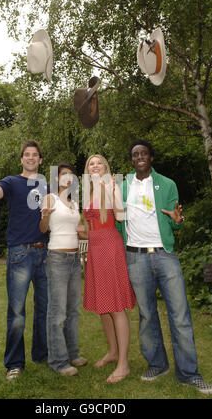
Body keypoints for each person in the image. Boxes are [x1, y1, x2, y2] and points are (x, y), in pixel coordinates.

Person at [117, 139, 212, 394]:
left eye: (144, 153)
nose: (139, 156)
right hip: (136, 257)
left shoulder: (168, 184)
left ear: (151, 158)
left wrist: (178, 220)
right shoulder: (121, 185)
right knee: (147, 315)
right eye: (135, 153)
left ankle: (189, 373)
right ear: (131, 160)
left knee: (180, 315)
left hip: (165, 256)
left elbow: (175, 222)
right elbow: (119, 223)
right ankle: (157, 364)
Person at [0, 139, 48, 381]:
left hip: (45, 253)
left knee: (44, 309)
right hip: (20, 254)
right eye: (26, 154)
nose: (30, 158)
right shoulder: (12, 182)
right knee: (17, 312)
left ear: (40, 160)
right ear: (21, 159)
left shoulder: (47, 185)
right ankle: (15, 364)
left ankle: (42, 354)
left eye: (35, 155)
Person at [81, 154, 136, 383]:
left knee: (115, 307)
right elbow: (88, 225)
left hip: (109, 247)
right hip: (94, 247)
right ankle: (113, 352)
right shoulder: (89, 191)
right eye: (91, 163)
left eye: (99, 163)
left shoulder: (110, 186)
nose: (95, 166)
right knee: (103, 307)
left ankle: (124, 364)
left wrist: (113, 191)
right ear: (88, 169)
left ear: (106, 167)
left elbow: (121, 217)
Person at [40, 162, 87, 376]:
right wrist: (45, 216)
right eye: (63, 174)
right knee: (57, 312)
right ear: (57, 179)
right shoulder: (51, 199)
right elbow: (42, 229)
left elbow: (79, 230)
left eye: (71, 175)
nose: (68, 177)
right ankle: (58, 361)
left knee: (72, 310)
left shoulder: (73, 203)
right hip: (57, 258)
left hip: (75, 259)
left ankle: (72, 353)